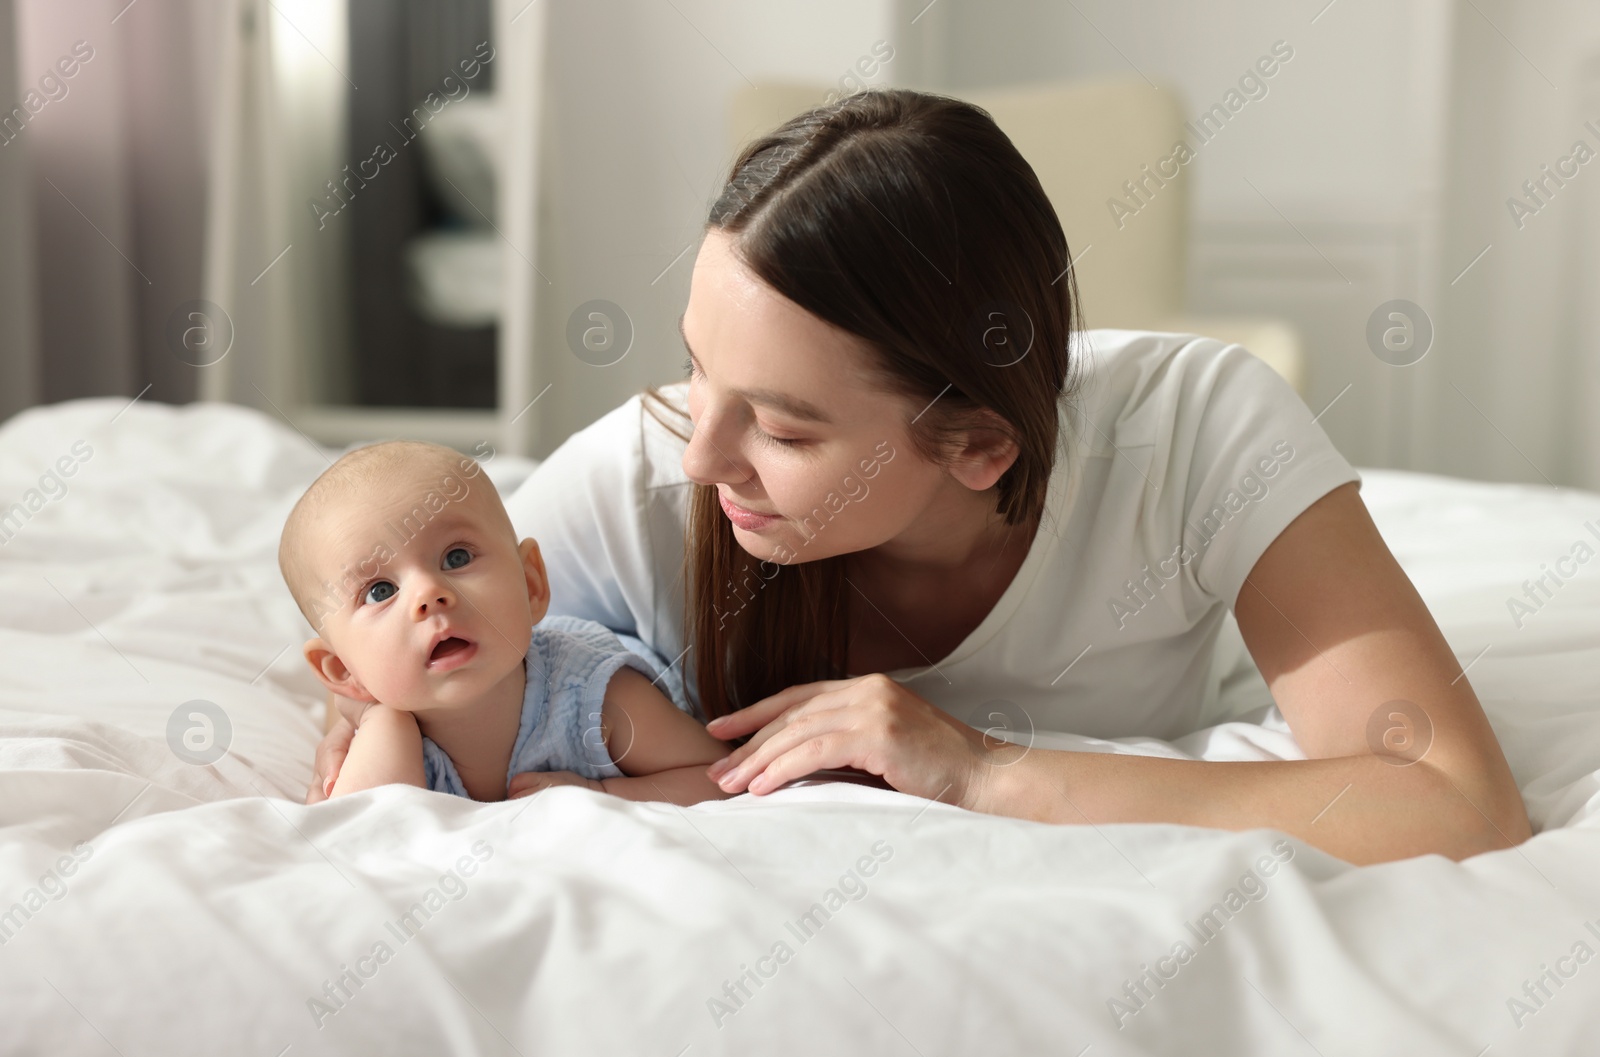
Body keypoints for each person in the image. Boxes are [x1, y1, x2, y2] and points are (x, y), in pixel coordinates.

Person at [308, 88, 1530, 865]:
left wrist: (980, 767)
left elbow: (1453, 801)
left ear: (980, 446)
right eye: (696, 377)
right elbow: (391, 651)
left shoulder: (1197, 431)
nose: (701, 458)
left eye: (784, 431)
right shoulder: (641, 485)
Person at [280, 440, 730, 804]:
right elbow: (366, 833)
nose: (428, 595)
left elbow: (715, 776)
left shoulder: (597, 697)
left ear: (531, 584)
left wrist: (602, 792)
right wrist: (380, 721)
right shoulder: (388, 730)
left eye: (455, 557)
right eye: (380, 591)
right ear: (343, 673)